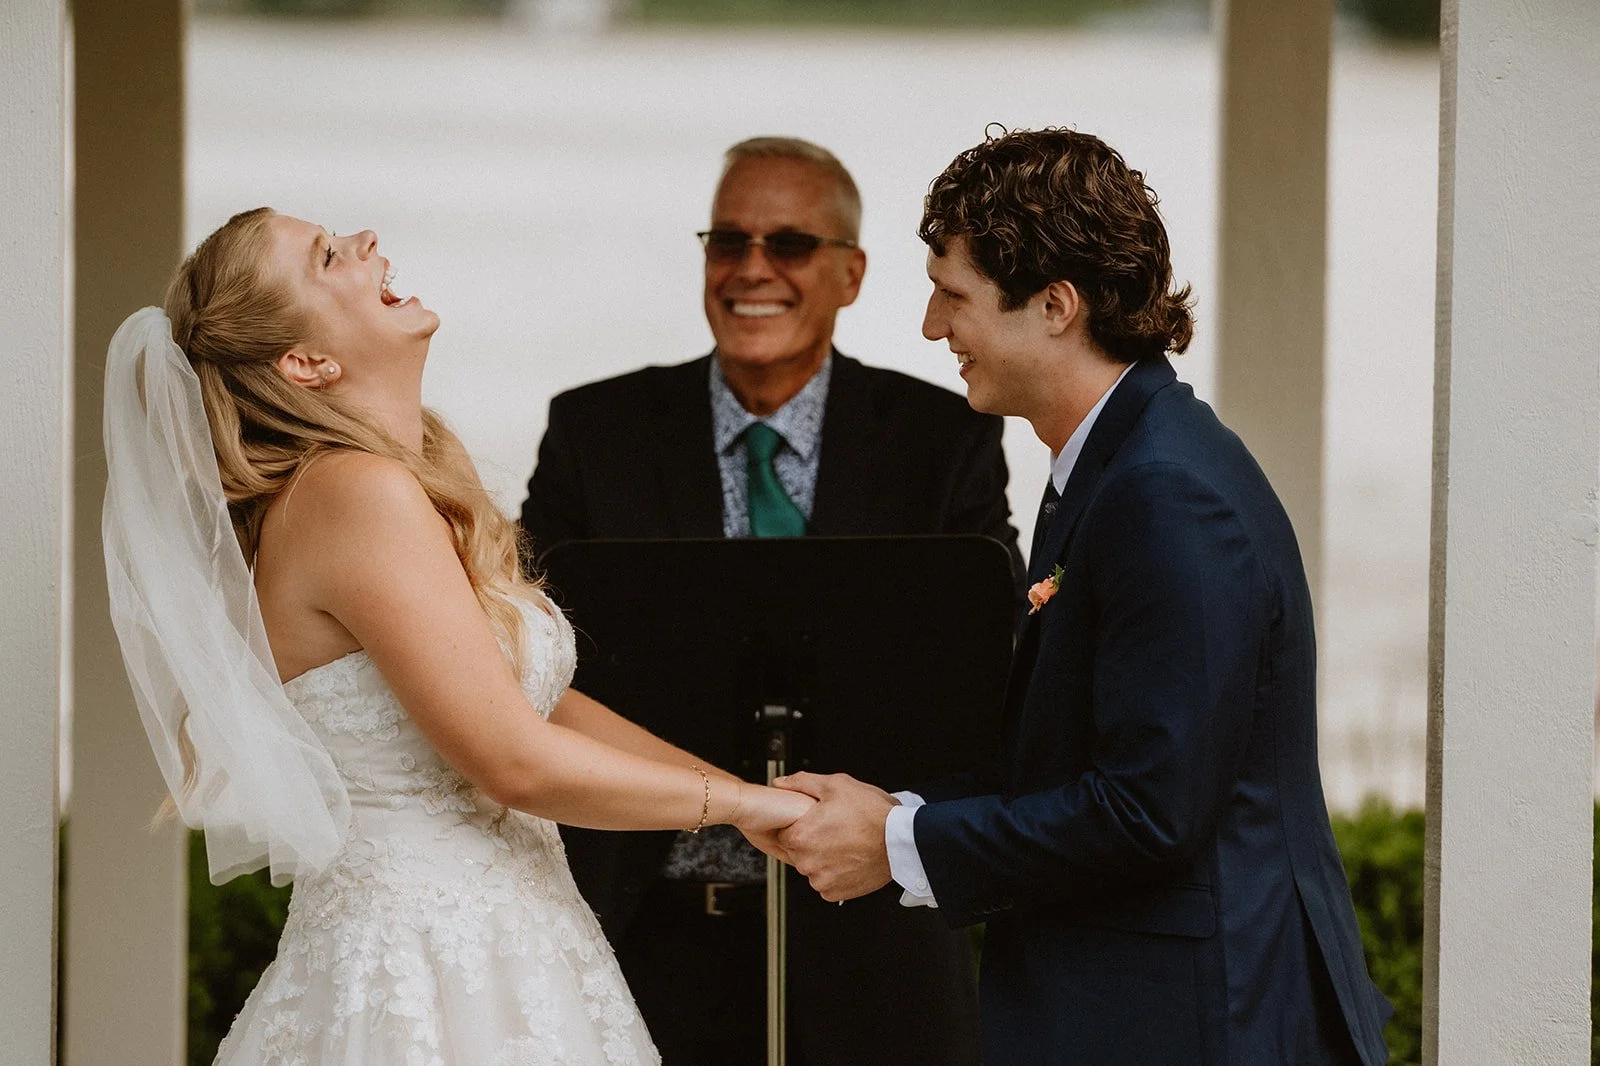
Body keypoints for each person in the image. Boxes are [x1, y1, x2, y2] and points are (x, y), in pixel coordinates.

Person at [100, 207, 815, 1066]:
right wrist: (745, 807)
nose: (364, 240)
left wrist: (747, 799)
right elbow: (511, 761)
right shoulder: (352, 494)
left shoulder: (425, 468)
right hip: (423, 965)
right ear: (307, 362)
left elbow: (537, 707)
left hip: (524, 942)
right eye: (328, 256)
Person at [774, 128, 1394, 1065]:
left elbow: (1149, 809)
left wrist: (903, 843)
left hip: (1195, 1022)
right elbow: (1068, 755)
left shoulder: (1165, 491)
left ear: (1056, 305)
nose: (934, 328)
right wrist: (892, 807)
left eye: (954, 295)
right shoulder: (1111, 463)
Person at [519, 137, 1021, 1066]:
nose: (753, 269)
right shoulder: (594, 432)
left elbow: (981, 672)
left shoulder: (942, 440)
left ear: (851, 274)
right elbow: (528, 661)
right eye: (728, 241)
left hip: (876, 945)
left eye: (789, 244)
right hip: (642, 929)